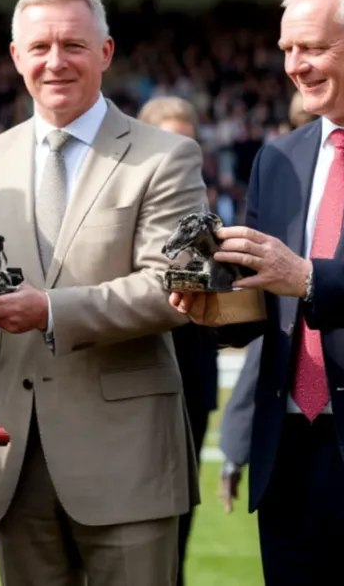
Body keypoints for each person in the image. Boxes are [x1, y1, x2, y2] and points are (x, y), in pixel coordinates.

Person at [0, 0, 206, 586]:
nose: (56, 62)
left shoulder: (165, 156)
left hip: (126, 459)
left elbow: (172, 288)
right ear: (16, 57)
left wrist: (50, 310)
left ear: (105, 53)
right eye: (40, 47)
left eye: (74, 46)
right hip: (13, 458)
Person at [171, 0, 344, 583]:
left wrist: (312, 278)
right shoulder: (281, 158)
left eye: (314, 48)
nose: (295, 65)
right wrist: (212, 306)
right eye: (288, 49)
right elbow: (268, 302)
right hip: (286, 462)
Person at [217, 90, 318, 514]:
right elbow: (263, 330)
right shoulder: (275, 166)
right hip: (283, 433)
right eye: (298, 123)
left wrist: (309, 279)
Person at [136, 95, 219, 586]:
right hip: (128, 380)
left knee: (177, 532)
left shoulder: (212, 217)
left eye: (189, 145)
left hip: (192, 382)